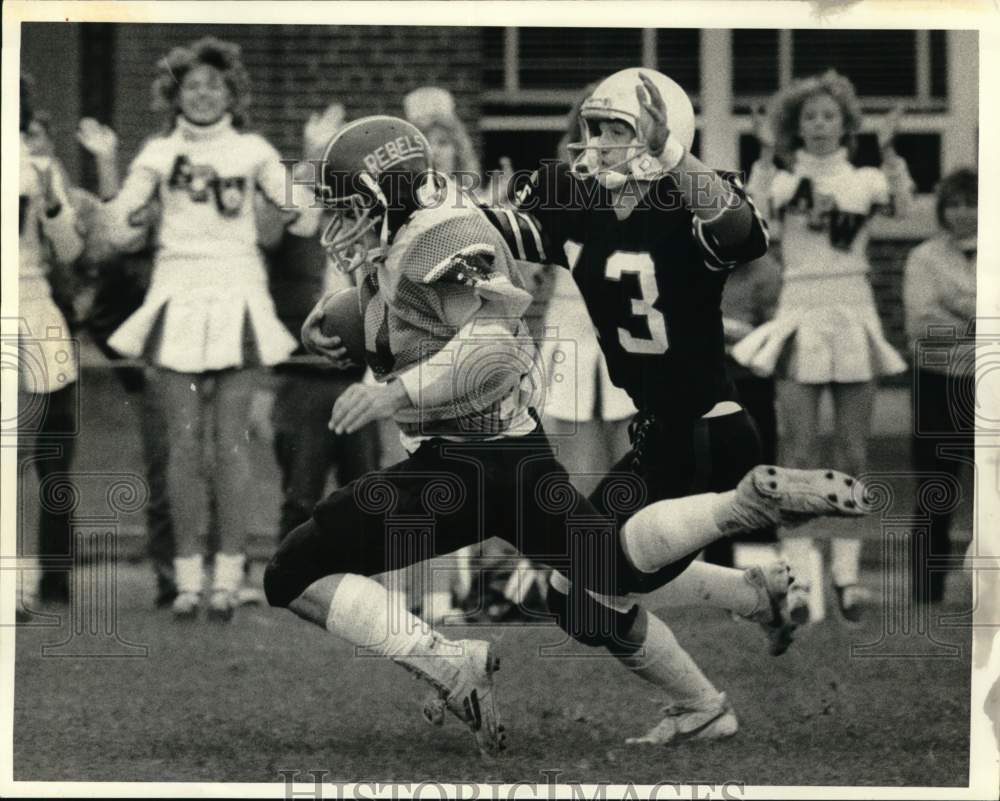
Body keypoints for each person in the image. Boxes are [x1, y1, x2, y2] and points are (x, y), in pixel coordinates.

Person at [263, 114, 869, 756]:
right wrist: (331, 328)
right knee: (599, 578)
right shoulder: (420, 228)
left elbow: (497, 345)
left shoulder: (446, 232)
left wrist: (392, 392)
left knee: (292, 570)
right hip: (509, 459)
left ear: (390, 192)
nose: (343, 220)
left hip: (467, 462)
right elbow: (413, 318)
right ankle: (731, 631)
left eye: (353, 202)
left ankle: (447, 662)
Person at [92, 37, 318, 621]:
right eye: (192, 85)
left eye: (213, 84)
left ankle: (228, 575)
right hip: (177, 296)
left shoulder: (252, 149)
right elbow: (119, 232)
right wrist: (107, 164)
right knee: (184, 446)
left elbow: (305, 217)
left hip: (238, 294)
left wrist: (313, 155)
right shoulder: (158, 152)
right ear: (175, 94)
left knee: (231, 446)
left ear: (231, 92)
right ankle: (188, 579)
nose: (202, 93)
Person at [735, 70, 913, 622]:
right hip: (800, 307)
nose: (818, 126)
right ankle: (800, 580)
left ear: (845, 124)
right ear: (796, 125)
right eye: (808, 117)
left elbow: (903, 208)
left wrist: (889, 152)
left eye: (828, 116)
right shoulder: (783, 180)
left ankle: (848, 575)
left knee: (854, 455)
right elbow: (752, 220)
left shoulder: (865, 178)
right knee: (801, 454)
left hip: (854, 306)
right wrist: (764, 156)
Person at [16, 76, 84, 615]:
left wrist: (50, 199)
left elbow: (70, 249)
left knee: (37, 455)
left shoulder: (37, 166)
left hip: (31, 302)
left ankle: (30, 581)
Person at [903, 168, 977, 604]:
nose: (963, 213)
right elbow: (920, 325)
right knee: (936, 490)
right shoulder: (923, 258)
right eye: (955, 203)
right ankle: (926, 594)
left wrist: (953, 306)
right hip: (935, 383)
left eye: (972, 203)